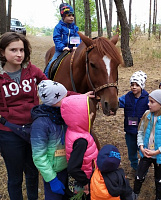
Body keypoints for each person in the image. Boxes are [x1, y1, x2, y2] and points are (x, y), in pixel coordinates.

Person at [0, 32, 48, 200]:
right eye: (13, 50)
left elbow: (52, 89)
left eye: (21, 49)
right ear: (2, 52)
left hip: (34, 130)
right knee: (15, 178)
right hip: (8, 133)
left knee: (33, 173)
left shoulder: (31, 70)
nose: (19, 54)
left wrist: (78, 96)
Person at [132, 89, 161, 200]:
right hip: (146, 152)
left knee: (160, 179)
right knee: (139, 175)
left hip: (160, 156)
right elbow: (141, 132)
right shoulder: (147, 115)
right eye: (149, 101)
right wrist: (141, 147)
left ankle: (159, 197)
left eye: (152, 102)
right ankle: (134, 194)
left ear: (160, 104)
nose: (148, 104)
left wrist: (156, 151)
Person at [30, 80, 69, 200]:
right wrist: (52, 179)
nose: (67, 99)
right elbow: (38, 156)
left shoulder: (64, 114)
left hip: (68, 169)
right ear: (53, 101)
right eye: (64, 97)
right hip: (53, 173)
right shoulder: (40, 124)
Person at [60, 94, 98, 199]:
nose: (92, 114)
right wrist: (85, 182)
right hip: (82, 183)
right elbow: (73, 168)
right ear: (80, 117)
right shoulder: (81, 141)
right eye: (89, 113)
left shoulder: (73, 129)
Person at [119, 70, 149, 171]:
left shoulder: (147, 98)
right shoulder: (127, 97)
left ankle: (144, 166)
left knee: (142, 149)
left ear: (142, 86)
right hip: (129, 131)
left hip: (142, 131)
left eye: (137, 85)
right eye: (132, 84)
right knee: (131, 150)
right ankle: (134, 165)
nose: (134, 87)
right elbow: (117, 103)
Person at [44, 3, 80, 77]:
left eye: (72, 15)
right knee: (51, 63)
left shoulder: (74, 28)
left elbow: (77, 37)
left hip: (72, 49)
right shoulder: (58, 27)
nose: (71, 17)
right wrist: (63, 47)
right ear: (63, 17)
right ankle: (46, 78)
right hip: (61, 50)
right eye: (69, 15)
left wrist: (77, 46)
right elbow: (56, 38)